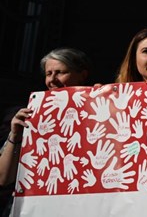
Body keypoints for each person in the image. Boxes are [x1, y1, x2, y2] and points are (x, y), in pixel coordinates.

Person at [1, 48, 91, 214]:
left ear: (82, 75)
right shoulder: (32, 115)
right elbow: (3, 178)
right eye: (48, 73)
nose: (52, 80)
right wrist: (15, 135)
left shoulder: (97, 109)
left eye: (60, 72)